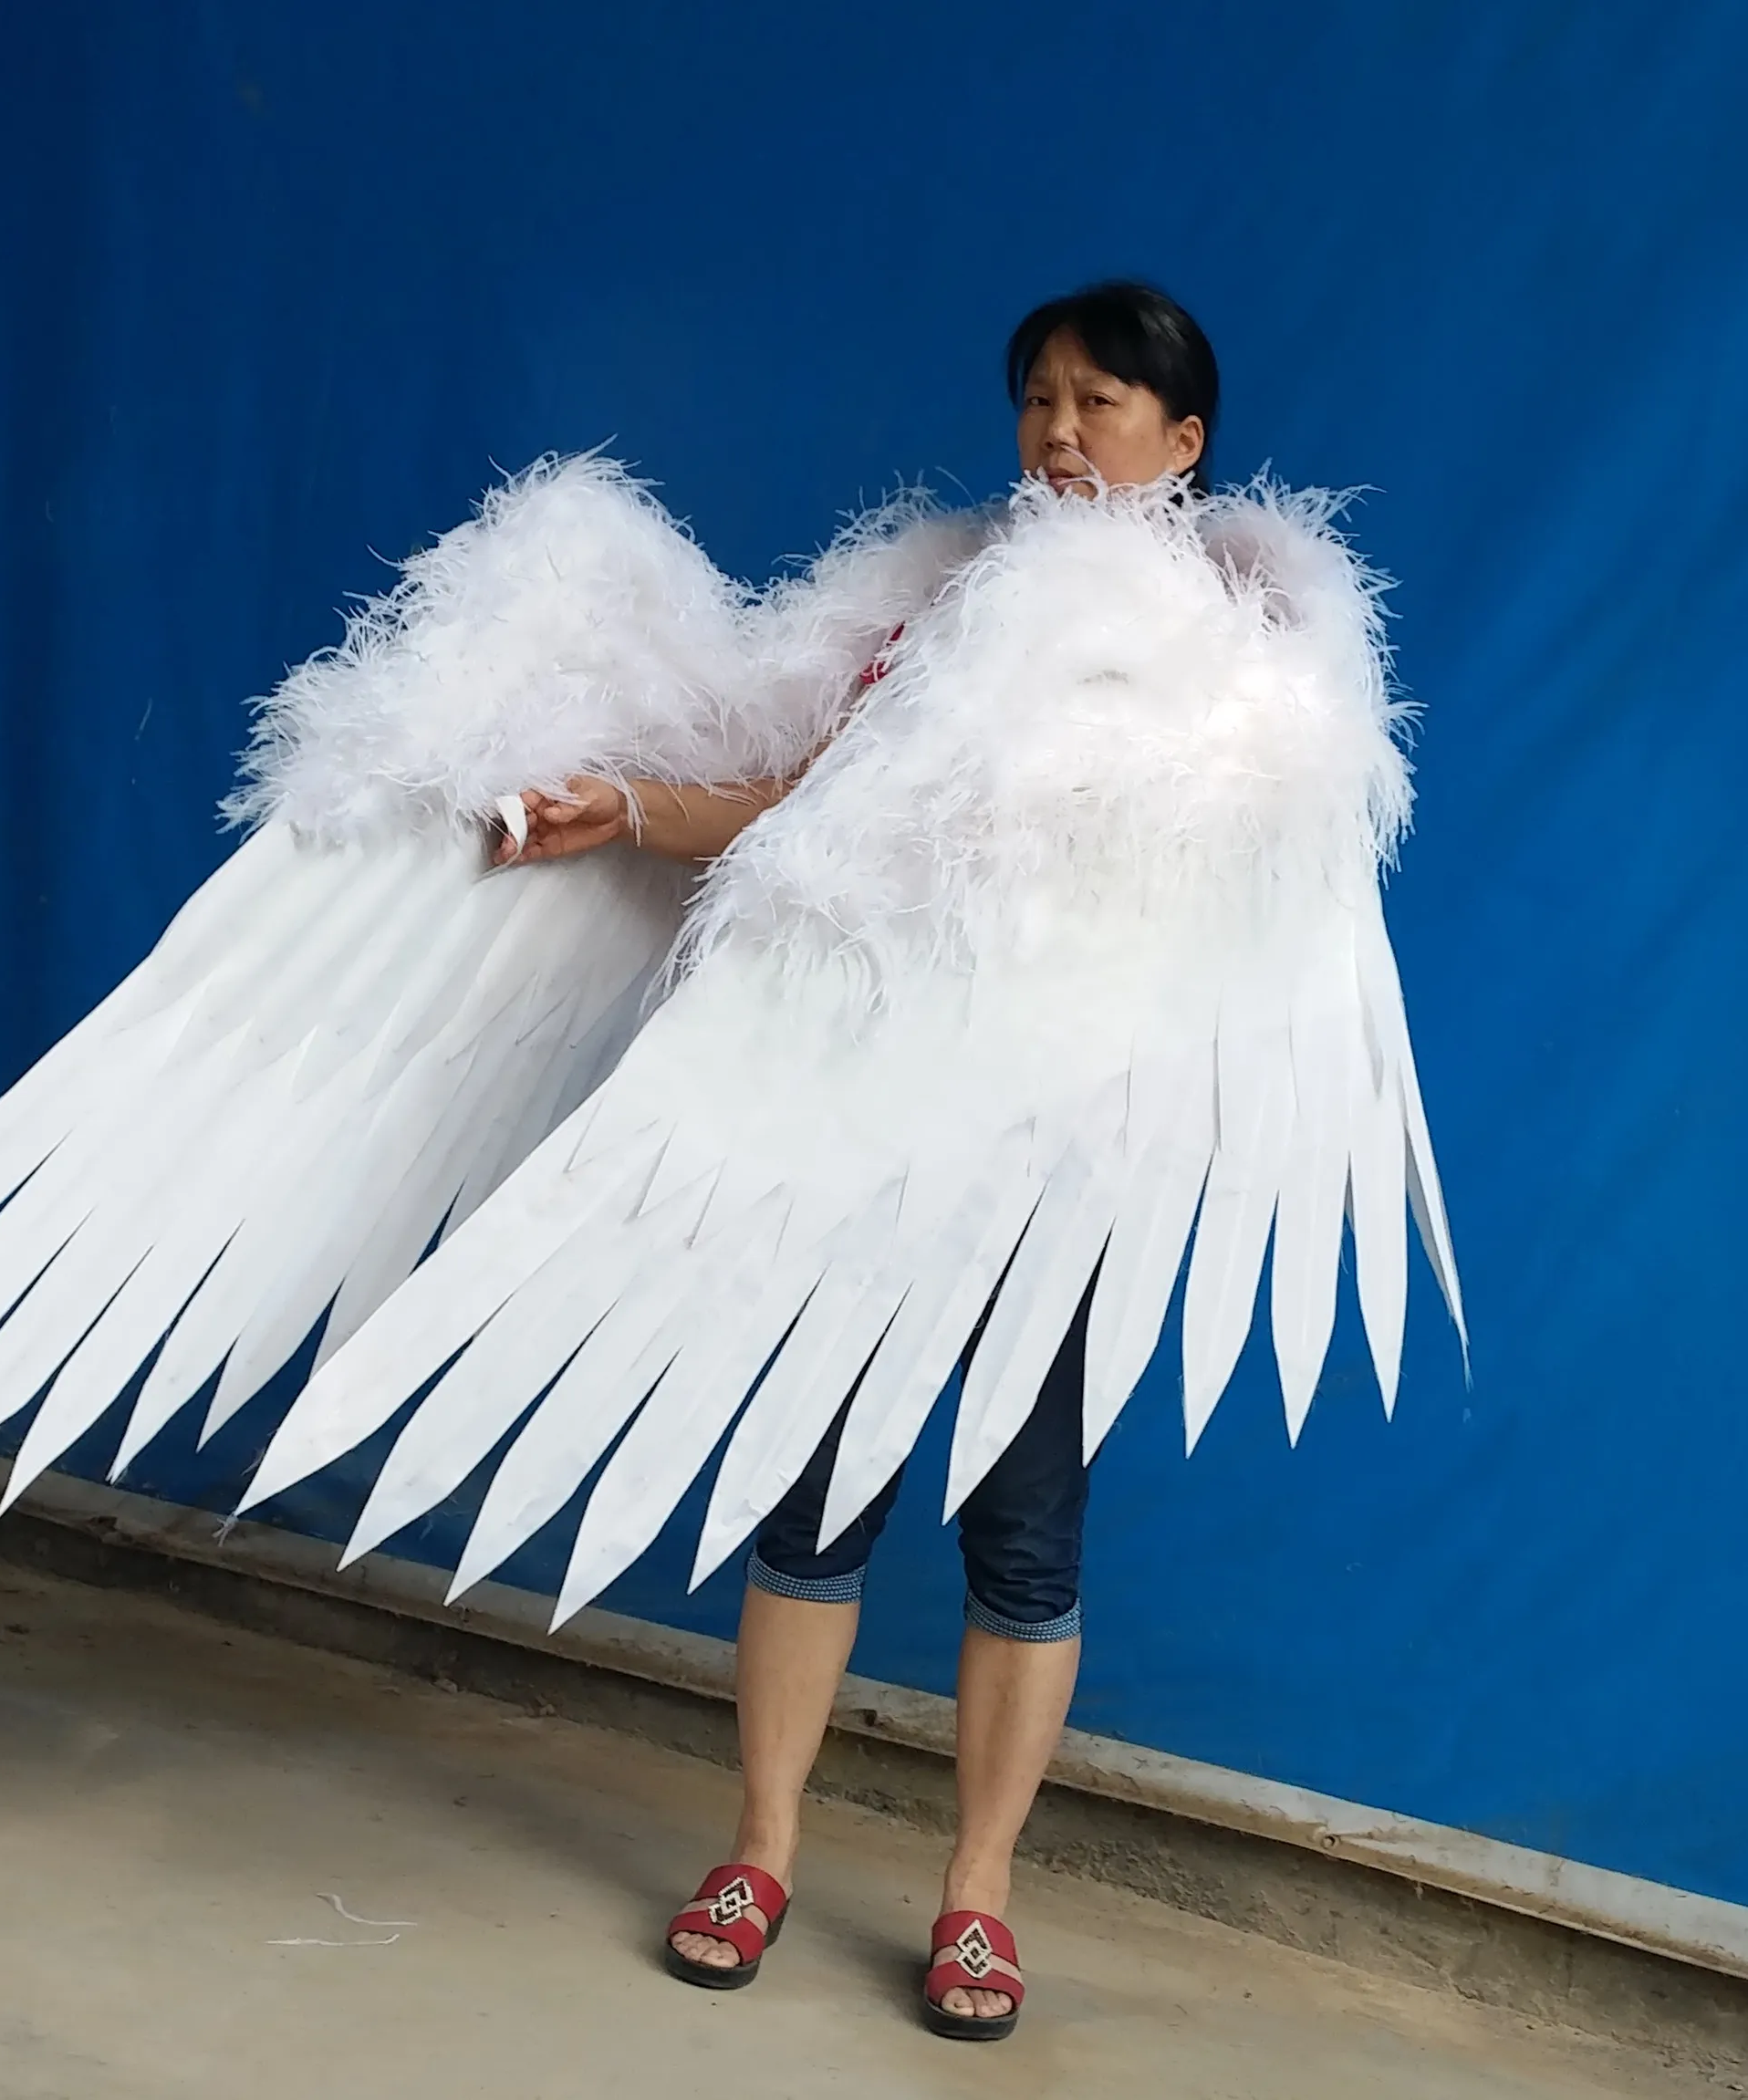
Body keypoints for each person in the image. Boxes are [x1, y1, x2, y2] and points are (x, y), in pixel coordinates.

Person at [499, 282, 1220, 2041]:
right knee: (808, 1508)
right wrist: (641, 813)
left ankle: (976, 1896)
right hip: (866, 1135)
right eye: (1039, 399)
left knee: (1025, 1542)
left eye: (1102, 401)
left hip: (1056, 1163)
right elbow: (824, 813)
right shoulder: (939, 623)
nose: (1059, 431)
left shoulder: (1229, 655)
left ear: (1180, 441)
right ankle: (758, 1852)